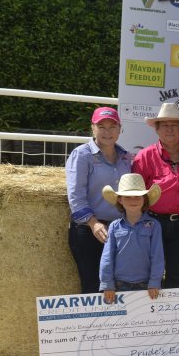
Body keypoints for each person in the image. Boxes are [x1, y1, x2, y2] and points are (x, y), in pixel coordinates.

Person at [99, 173, 165, 356]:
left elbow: (158, 256)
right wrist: (107, 284)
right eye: (128, 196)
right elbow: (107, 258)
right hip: (119, 286)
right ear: (119, 200)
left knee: (140, 328)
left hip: (144, 286)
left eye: (138, 196)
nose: (133, 200)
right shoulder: (114, 228)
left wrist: (155, 282)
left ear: (145, 199)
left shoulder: (153, 226)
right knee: (118, 328)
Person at [131, 102, 179, 290]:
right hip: (152, 223)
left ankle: (174, 319)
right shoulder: (145, 157)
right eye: (164, 125)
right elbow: (134, 195)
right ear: (156, 129)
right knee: (147, 275)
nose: (169, 129)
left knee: (178, 278)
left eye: (174, 125)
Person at [66, 107, 132, 294]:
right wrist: (94, 224)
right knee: (93, 287)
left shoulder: (126, 158)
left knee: (117, 288)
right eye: (101, 126)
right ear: (92, 128)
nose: (107, 131)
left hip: (118, 230)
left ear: (120, 129)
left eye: (112, 126)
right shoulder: (82, 155)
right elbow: (76, 197)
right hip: (89, 231)